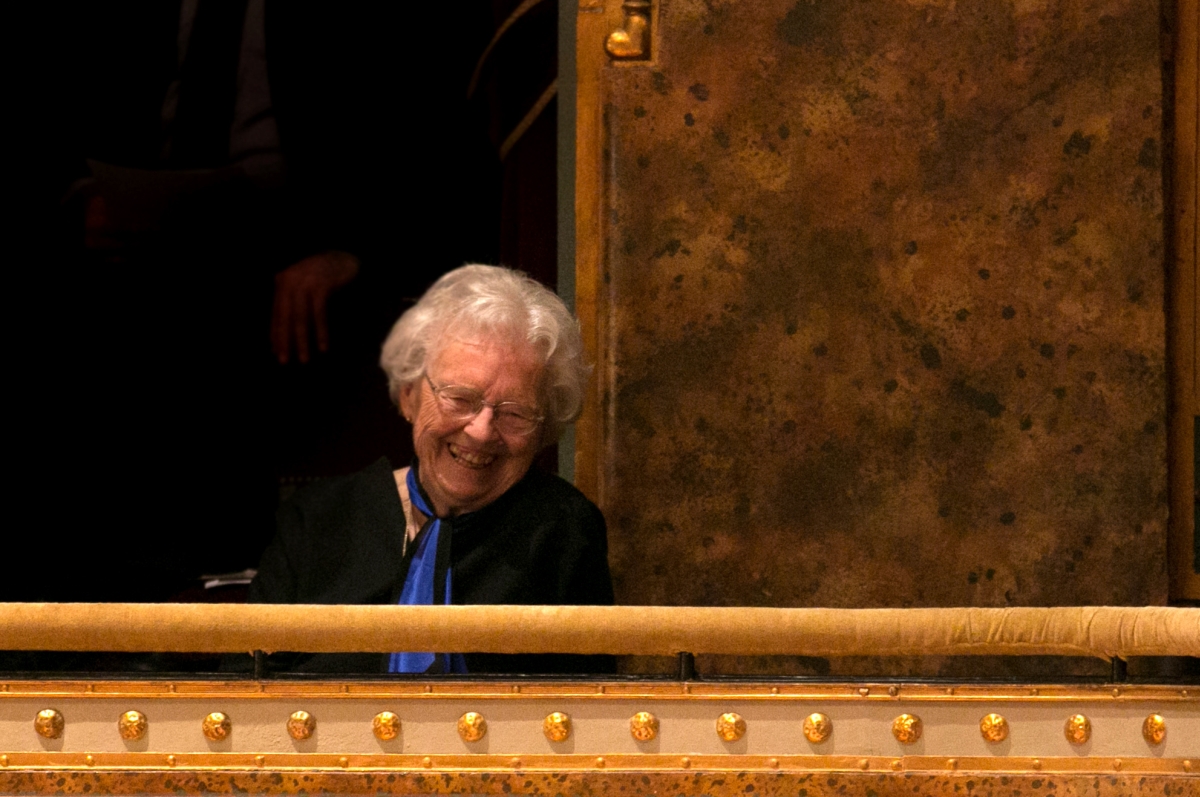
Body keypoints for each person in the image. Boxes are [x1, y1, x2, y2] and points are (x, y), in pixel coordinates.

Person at [245, 266, 615, 674]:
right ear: (409, 395)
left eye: (514, 413)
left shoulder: (564, 530)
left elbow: (590, 702)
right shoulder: (317, 519)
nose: (481, 431)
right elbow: (242, 682)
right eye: (460, 398)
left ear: (543, 430)